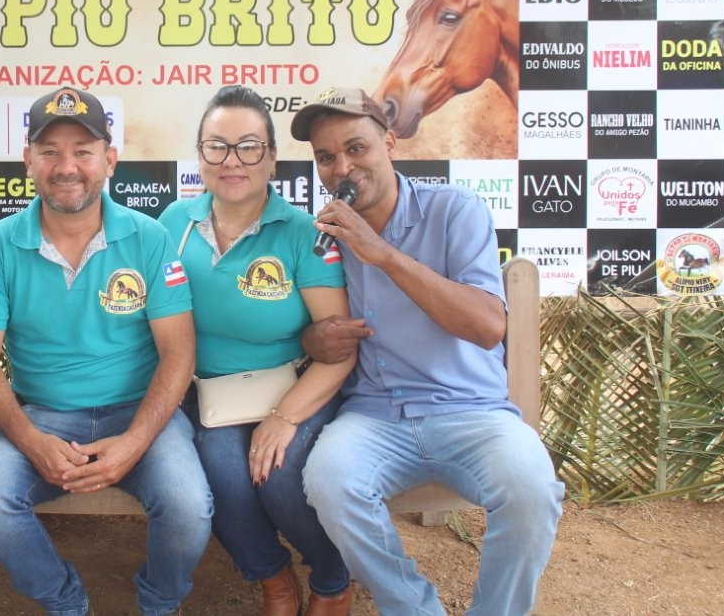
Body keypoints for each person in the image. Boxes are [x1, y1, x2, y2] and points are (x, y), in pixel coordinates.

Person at [290, 87, 563, 616]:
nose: (342, 168)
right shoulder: (324, 235)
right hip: (374, 416)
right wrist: (312, 339)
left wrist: (384, 255)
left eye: (356, 148)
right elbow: (302, 329)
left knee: (532, 489)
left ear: (390, 143)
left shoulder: (454, 210)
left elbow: (488, 326)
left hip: (472, 412)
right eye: (326, 157)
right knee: (329, 481)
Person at [0, 87, 213, 616]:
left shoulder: (148, 237)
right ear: (28, 159)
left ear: (110, 160)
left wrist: (135, 441)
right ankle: (65, 602)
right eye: (49, 151)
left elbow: (178, 352)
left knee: (188, 506)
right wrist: (31, 441)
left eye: (83, 150)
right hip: (44, 416)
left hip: (141, 412)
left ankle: (160, 602)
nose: (66, 166)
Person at [159, 85, 354, 616]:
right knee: (222, 473)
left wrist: (283, 418)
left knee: (281, 476)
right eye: (216, 146)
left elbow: (339, 348)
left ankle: (333, 580)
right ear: (200, 155)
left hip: (295, 388)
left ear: (271, 158)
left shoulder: (303, 233)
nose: (232, 160)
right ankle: (273, 579)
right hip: (210, 395)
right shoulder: (173, 224)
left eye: (248, 146)